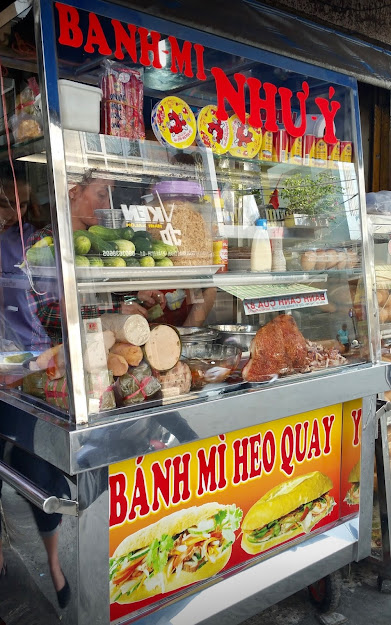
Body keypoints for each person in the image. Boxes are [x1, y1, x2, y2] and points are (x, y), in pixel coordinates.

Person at [0, 167, 70, 607]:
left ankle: (56, 566)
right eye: (9, 204)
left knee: (37, 469)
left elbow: (50, 302)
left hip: (28, 372)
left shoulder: (29, 242)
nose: (18, 214)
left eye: (25, 204)